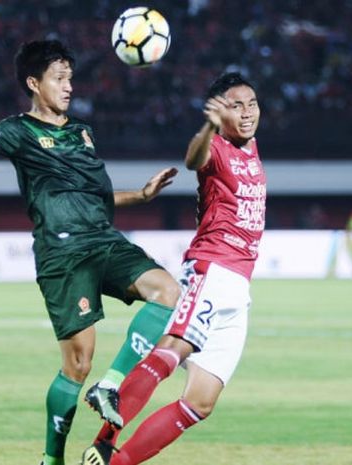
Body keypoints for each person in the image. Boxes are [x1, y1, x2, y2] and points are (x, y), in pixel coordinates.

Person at [0, 39, 180, 465]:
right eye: (59, 78)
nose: (69, 86)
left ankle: (112, 384)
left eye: (70, 78)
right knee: (77, 365)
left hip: (103, 239)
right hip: (62, 252)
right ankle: (52, 459)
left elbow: (94, 196)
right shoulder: (18, 130)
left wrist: (140, 195)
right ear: (34, 83)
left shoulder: (82, 131)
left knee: (169, 292)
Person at [82, 72, 266, 465]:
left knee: (201, 401)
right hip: (211, 270)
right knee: (170, 351)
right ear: (220, 112)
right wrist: (209, 126)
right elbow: (193, 159)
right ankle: (102, 443)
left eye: (252, 103)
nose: (248, 112)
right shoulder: (216, 146)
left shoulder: (250, 145)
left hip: (238, 289)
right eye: (237, 106)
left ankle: (113, 463)